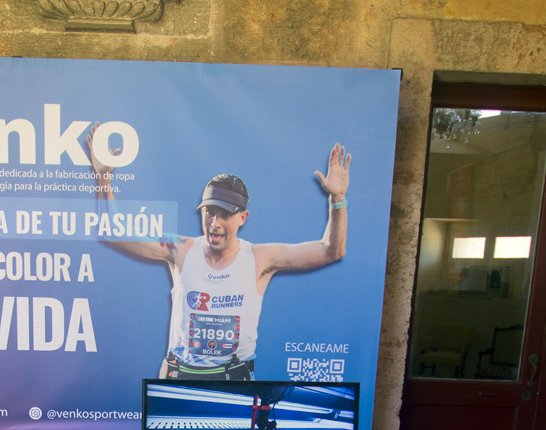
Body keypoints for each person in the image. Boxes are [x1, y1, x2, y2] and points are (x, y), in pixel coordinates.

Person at [88, 128, 351, 380]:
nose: (215, 222)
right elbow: (112, 233)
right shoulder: (180, 249)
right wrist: (103, 177)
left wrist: (337, 200)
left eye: (225, 214)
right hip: (179, 379)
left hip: (232, 384)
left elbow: (331, 250)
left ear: (242, 218)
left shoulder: (260, 258)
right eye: (209, 211)